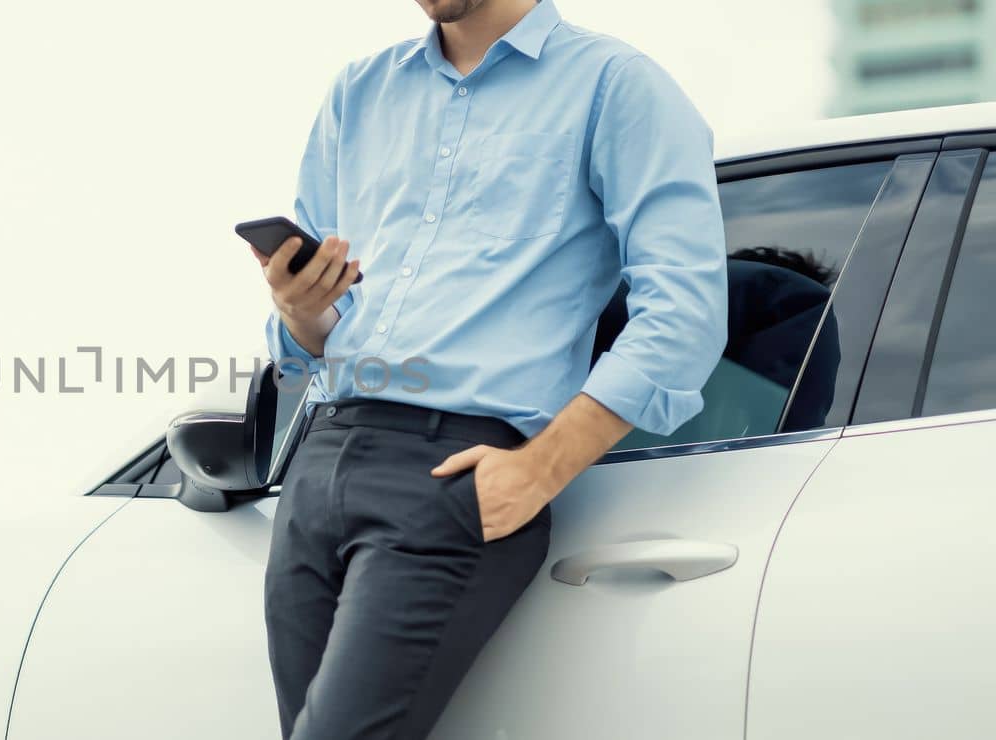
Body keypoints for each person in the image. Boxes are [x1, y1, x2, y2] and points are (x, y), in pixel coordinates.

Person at [251, 1, 728, 738]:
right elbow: (323, 329)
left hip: (451, 476)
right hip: (320, 467)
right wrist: (298, 308)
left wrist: (538, 470)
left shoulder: (616, 85)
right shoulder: (359, 92)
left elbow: (684, 314)